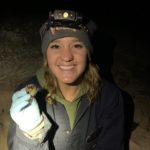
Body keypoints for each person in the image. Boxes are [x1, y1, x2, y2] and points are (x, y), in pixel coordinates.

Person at [7, 9, 125, 150]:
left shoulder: (110, 97)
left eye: (77, 45)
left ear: (88, 53)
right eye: (56, 46)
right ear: (46, 55)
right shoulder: (25, 96)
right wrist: (31, 133)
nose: (67, 56)